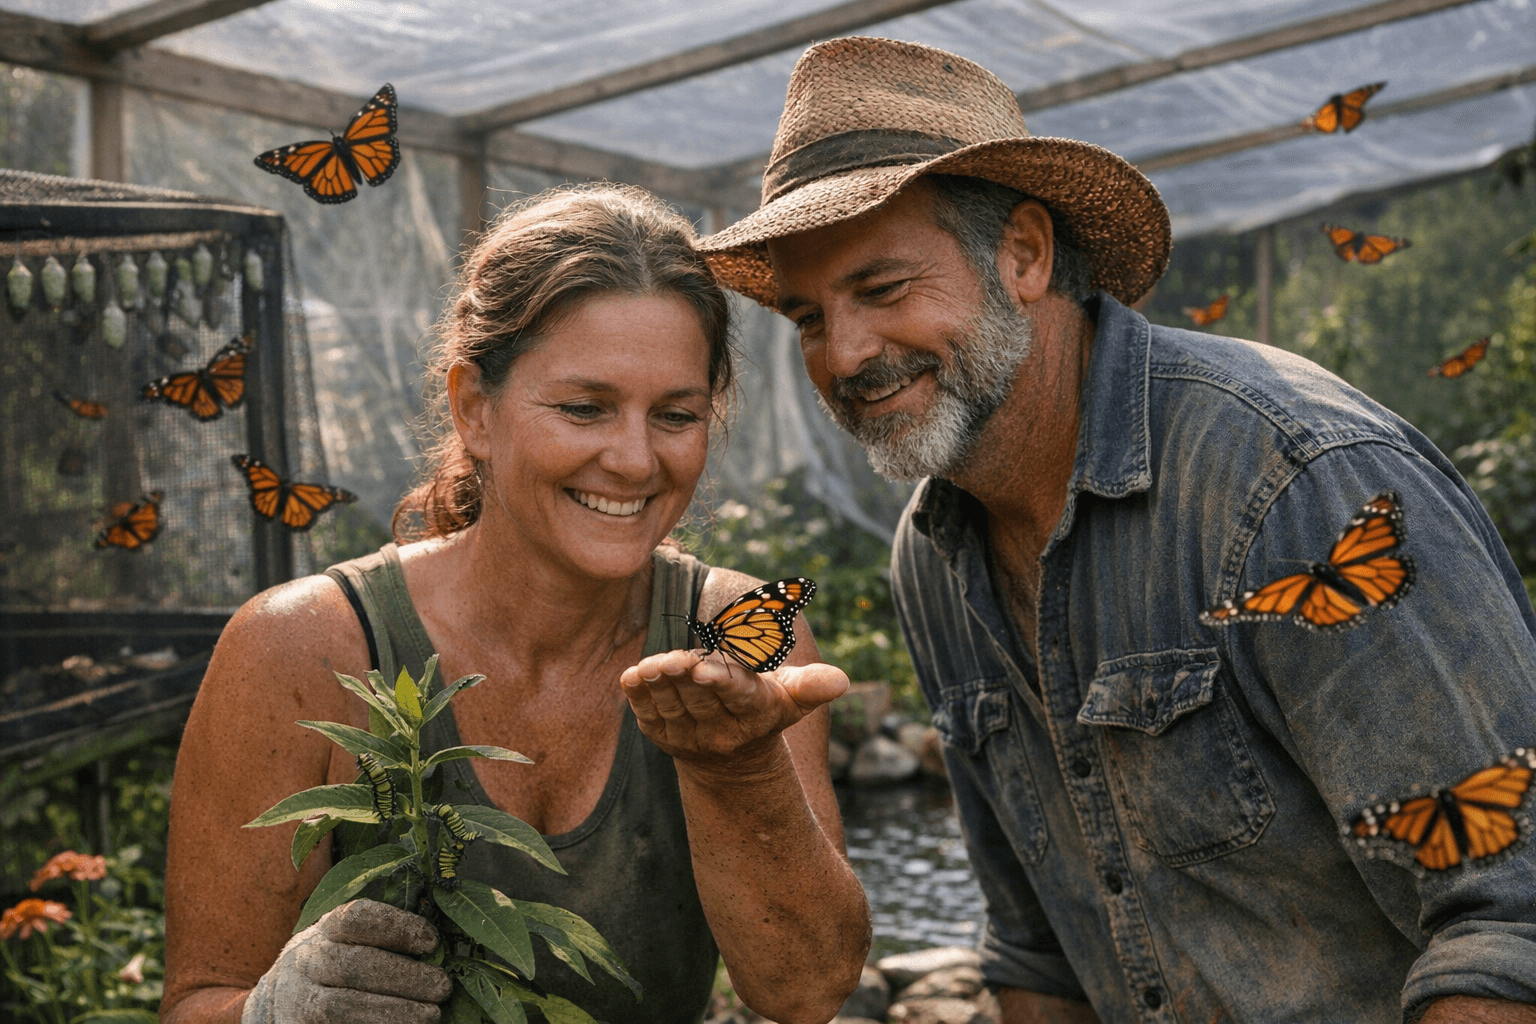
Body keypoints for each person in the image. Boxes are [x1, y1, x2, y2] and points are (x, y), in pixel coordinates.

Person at [698, 36, 1536, 1024]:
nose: (846, 353)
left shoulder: (1293, 482)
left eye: (883, 291)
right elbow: (1036, 947)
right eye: (807, 317)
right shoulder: (933, 557)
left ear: (1024, 254)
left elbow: (1508, 920)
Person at [161, 184, 870, 1024]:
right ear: (475, 410)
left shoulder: (736, 645)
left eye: (675, 415)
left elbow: (806, 990)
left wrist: (738, 765)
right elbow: (197, 999)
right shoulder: (303, 649)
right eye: (584, 408)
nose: (636, 460)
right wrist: (268, 1014)